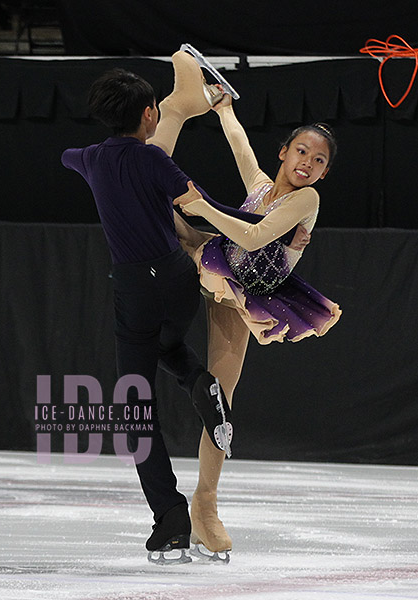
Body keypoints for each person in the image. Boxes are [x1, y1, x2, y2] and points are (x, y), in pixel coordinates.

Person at [148, 48, 342, 561]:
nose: (308, 163)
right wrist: (224, 107)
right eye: (302, 151)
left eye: (319, 160)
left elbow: (254, 239)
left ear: (323, 174)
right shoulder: (261, 186)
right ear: (285, 152)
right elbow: (238, 145)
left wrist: (199, 204)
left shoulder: (307, 203)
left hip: (245, 298)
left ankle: (204, 504)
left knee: (220, 396)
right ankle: (166, 120)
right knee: (155, 204)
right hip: (212, 262)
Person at [60, 57, 237, 564]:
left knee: (134, 409)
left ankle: (171, 522)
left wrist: (91, 161)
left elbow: (67, 156)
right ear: (147, 115)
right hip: (178, 281)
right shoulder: (155, 160)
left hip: (135, 288)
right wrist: (248, 230)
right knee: (170, 346)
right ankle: (203, 385)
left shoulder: (90, 158)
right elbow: (198, 204)